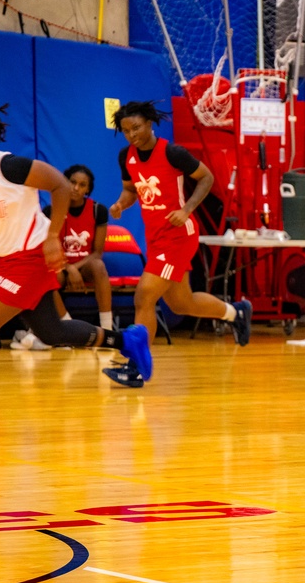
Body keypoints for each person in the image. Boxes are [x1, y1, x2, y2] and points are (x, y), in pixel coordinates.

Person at [0, 102, 152, 432]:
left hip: (31, 258)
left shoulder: (9, 166)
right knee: (51, 331)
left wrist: (54, 235)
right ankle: (128, 341)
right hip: (7, 259)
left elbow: (60, 184)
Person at [105, 100, 252, 388]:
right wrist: (121, 204)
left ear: (149, 124)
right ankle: (237, 313)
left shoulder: (173, 153)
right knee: (181, 303)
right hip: (157, 237)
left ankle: (135, 367)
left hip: (179, 235)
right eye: (125, 130)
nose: (132, 134)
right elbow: (130, 189)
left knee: (144, 296)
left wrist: (187, 209)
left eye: (136, 128)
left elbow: (206, 178)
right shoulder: (127, 157)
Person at [43, 164, 114, 332]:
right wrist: (67, 268)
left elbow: (97, 253)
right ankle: (66, 327)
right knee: (50, 275)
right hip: (58, 266)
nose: (75, 188)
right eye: (72, 182)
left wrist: (74, 268)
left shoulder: (98, 210)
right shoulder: (51, 210)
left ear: (88, 189)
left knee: (99, 266)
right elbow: (46, 250)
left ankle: (107, 329)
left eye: (82, 185)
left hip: (84, 266)